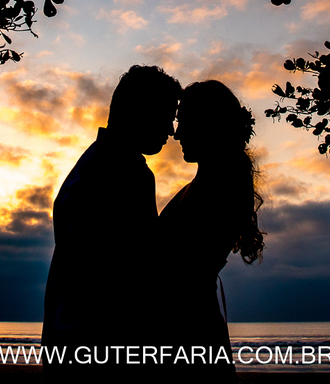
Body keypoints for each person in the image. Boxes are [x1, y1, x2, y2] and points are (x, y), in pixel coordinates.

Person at [41, 64, 181, 379]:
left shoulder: (91, 164)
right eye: (167, 116)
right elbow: (125, 278)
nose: (171, 131)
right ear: (141, 112)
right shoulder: (125, 173)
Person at [158, 79, 265, 380]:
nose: (177, 133)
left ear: (208, 125)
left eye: (184, 122)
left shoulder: (219, 191)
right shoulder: (202, 186)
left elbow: (180, 268)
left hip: (189, 331)